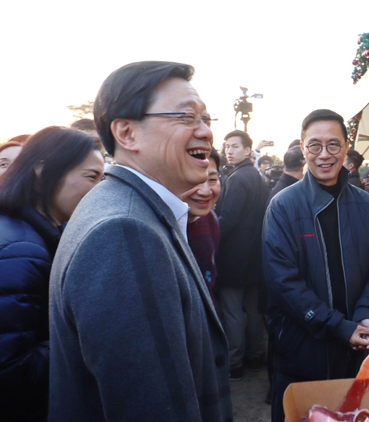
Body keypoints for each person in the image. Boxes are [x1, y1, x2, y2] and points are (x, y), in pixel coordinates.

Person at [49, 61, 232, 421]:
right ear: (127, 134)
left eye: (206, 118)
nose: (206, 132)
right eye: (186, 117)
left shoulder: (129, 209)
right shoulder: (122, 232)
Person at [262, 109, 369, 422]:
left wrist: (363, 315)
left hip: (354, 349)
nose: (324, 155)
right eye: (315, 145)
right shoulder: (283, 205)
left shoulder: (364, 204)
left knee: (350, 413)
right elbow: (283, 282)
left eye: (333, 144)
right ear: (303, 148)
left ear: (347, 147)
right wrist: (338, 326)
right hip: (301, 348)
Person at [0, 126, 103, 422]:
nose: (101, 189)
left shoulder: (26, 231)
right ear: (42, 172)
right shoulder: (22, 251)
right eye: (91, 177)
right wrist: (85, 336)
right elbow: (10, 369)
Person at [217, 129, 270, 380]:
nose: (229, 151)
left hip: (234, 258)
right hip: (255, 257)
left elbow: (227, 219)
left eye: (235, 146)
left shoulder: (238, 178)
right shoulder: (256, 175)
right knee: (253, 311)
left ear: (248, 150)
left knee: (232, 313)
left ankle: (234, 362)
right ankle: (255, 355)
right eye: (227, 146)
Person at [183, 148, 222, 302]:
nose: (206, 191)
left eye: (212, 180)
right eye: (194, 180)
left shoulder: (210, 219)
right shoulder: (157, 225)